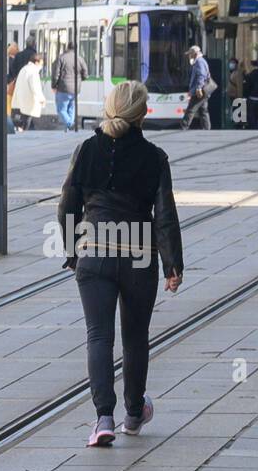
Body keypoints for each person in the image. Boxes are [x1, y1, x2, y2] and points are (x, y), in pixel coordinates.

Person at [57, 80, 183, 448]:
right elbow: (165, 216)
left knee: (99, 335)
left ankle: (103, 419)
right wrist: (172, 264)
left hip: (93, 251)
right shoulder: (154, 157)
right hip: (139, 255)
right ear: (143, 114)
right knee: (134, 337)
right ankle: (133, 412)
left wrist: (70, 251)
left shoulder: (86, 150)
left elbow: (68, 204)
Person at [52, 42, 88, 132]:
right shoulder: (80, 59)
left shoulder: (61, 58)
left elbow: (56, 74)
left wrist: (54, 85)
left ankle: (70, 124)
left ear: (67, 47)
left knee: (61, 109)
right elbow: (85, 74)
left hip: (63, 88)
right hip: (76, 89)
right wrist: (80, 79)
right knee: (72, 108)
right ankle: (69, 126)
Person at [11, 52, 46, 131]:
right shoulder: (33, 72)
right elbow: (35, 87)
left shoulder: (24, 69)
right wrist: (41, 99)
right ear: (36, 62)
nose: (41, 66)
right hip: (27, 106)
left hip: (18, 104)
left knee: (18, 128)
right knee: (25, 129)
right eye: (41, 64)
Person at [181, 45, 212, 131]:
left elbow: (201, 75)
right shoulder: (200, 61)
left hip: (200, 91)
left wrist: (198, 88)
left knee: (191, 109)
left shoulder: (199, 62)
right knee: (203, 110)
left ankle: (184, 126)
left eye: (190, 54)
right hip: (204, 90)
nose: (189, 56)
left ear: (194, 54)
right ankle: (207, 128)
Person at [243, 60, 258, 129]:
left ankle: (254, 129)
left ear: (252, 66)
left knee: (252, 116)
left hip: (252, 98)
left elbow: (247, 88)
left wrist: (246, 96)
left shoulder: (249, 75)